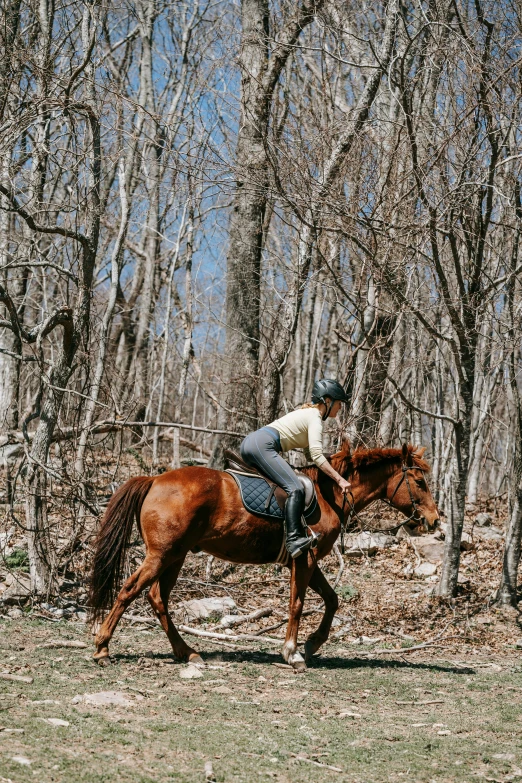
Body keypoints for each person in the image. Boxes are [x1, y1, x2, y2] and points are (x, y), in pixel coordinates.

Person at [240, 379, 352, 559]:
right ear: (328, 401)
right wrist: (339, 479)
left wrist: (334, 457)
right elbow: (316, 456)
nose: (340, 408)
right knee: (296, 488)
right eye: (339, 403)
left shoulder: (307, 414)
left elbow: (310, 455)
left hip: (252, 443)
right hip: (263, 445)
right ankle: (293, 540)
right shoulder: (314, 418)